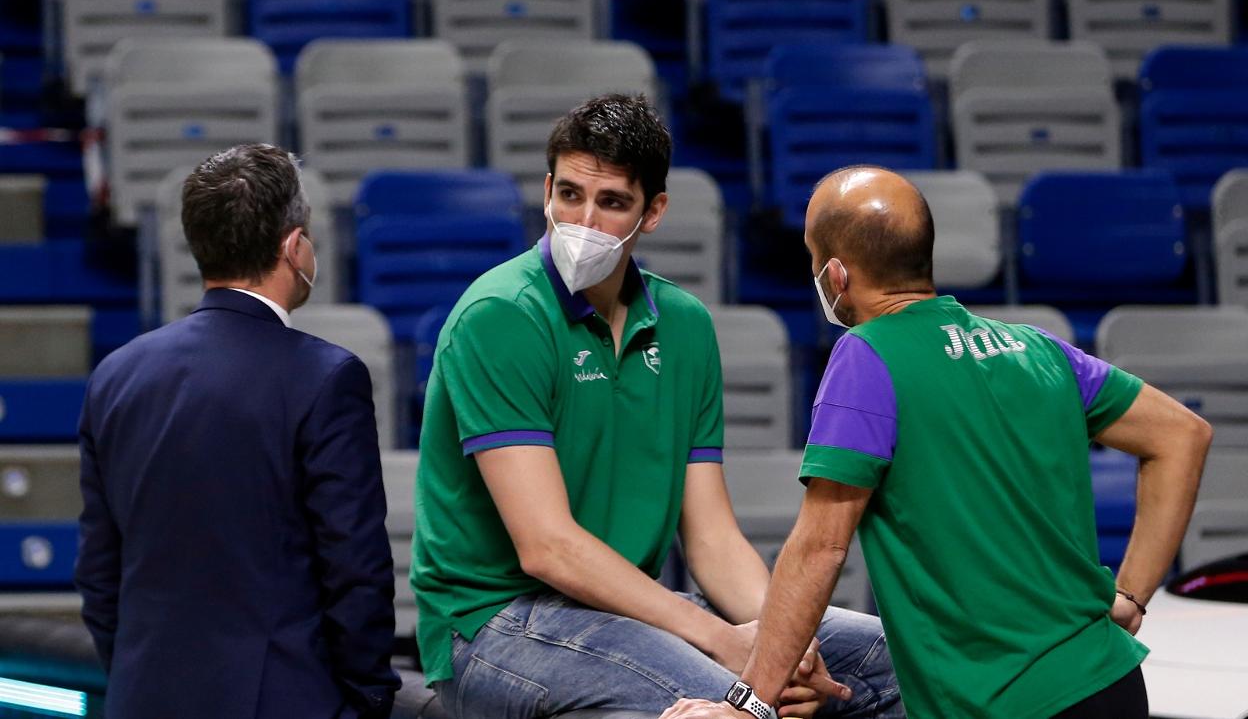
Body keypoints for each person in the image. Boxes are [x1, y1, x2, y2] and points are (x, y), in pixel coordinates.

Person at [411, 96, 903, 718]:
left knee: (902, 658)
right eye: (569, 195)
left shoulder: (686, 326)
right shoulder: (502, 315)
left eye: (612, 202)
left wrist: (783, 647)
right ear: (545, 190)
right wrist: (733, 651)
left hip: (626, 611)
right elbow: (548, 547)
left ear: (654, 212)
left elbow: (713, 539)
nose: (583, 220)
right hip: (492, 624)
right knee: (737, 706)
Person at [660, 166, 1213, 719]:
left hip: (1001, 705)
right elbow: (1183, 434)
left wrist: (746, 706)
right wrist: (1132, 595)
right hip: (1110, 682)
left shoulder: (866, 356)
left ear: (834, 275)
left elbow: (819, 548)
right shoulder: (1039, 349)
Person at [75, 143, 401, 719]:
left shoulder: (115, 375)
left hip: (142, 697)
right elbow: (355, 569)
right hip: (286, 700)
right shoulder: (327, 377)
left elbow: (101, 578)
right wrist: (369, 695)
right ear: (293, 245)